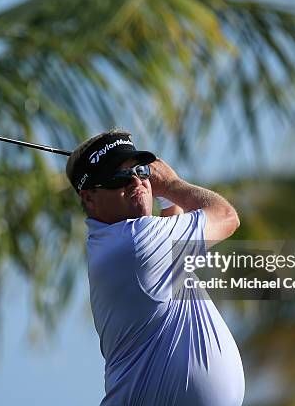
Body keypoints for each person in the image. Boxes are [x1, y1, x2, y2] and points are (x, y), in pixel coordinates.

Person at [66, 129, 245, 406]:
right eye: (119, 177)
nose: (136, 181)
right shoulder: (135, 242)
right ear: (89, 198)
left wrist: (166, 196)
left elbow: (170, 235)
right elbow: (226, 217)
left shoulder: (115, 241)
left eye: (140, 171)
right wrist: (170, 184)